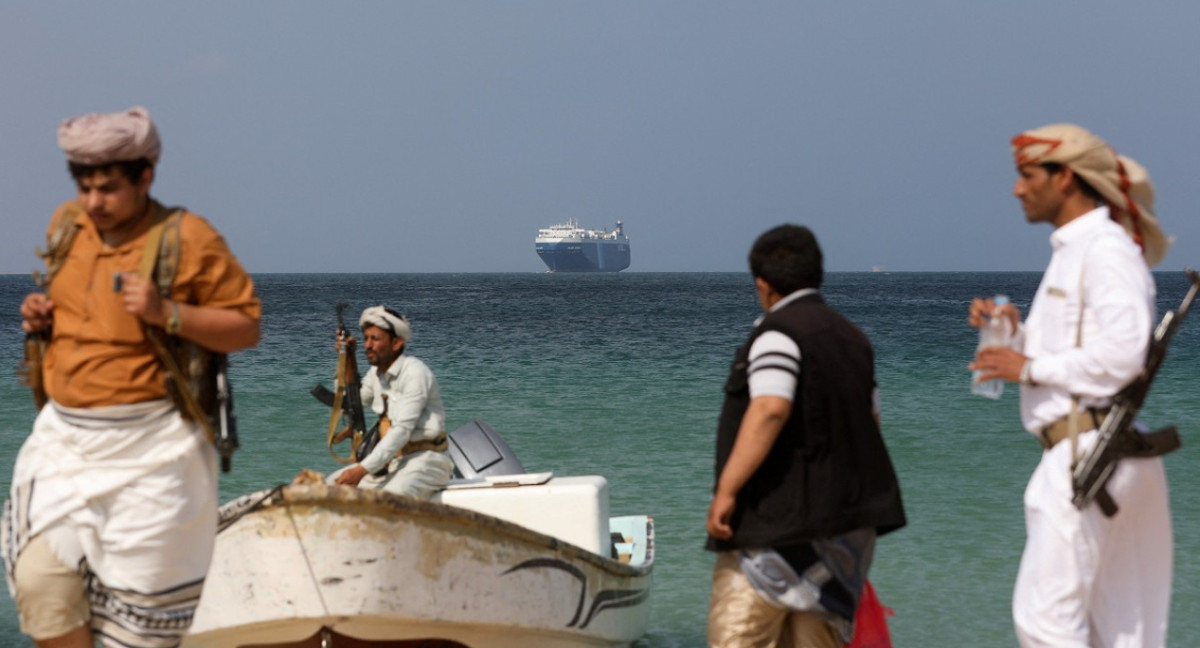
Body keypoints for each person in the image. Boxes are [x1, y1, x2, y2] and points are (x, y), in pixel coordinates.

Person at [3, 106, 261, 648]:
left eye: (108, 189)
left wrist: (168, 311)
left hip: (155, 451)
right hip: (65, 444)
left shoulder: (186, 237)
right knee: (41, 585)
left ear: (145, 178)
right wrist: (43, 317)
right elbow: (80, 304)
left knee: (141, 626)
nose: (94, 201)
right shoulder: (67, 225)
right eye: (85, 186)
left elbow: (245, 328)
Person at [969, 123, 1172, 647]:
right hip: (1102, 455)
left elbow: (1125, 353)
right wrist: (1016, 332)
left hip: (1089, 455)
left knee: (1046, 622)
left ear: (1064, 178)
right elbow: (1085, 344)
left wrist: (1028, 369)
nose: (1017, 189)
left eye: (1027, 175)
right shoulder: (1078, 251)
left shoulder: (1104, 249)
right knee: (1121, 631)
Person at [706, 224, 906, 648]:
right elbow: (871, 424)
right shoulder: (855, 340)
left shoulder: (778, 333)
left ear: (763, 284)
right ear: (817, 274)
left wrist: (727, 490)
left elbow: (770, 409)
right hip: (841, 544)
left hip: (771, 537)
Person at [326, 306, 454, 498]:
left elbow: (401, 430)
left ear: (396, 343)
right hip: (392, 463)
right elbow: (350, 403)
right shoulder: (376, 375)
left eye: (375, 339)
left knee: (389, 500)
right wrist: (346, 358)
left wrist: (361, 470)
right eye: (365, 338)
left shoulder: (415, 373)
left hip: (427, 461)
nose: (368, 345)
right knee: (328, 488)